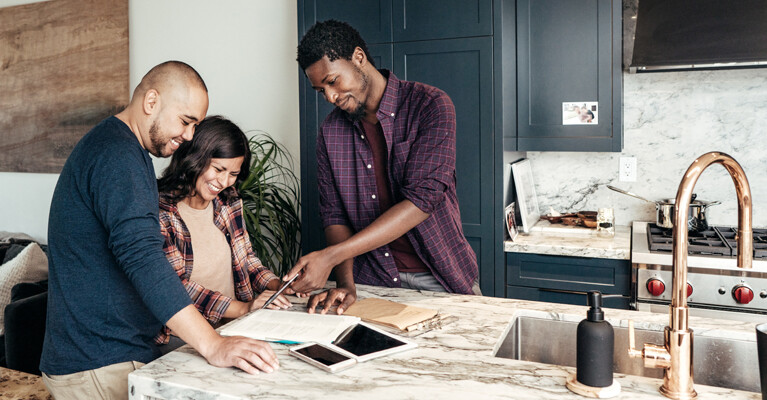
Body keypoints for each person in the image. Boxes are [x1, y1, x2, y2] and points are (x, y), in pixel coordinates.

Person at [40, 61, 279, 400]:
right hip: (100, 364)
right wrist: (213, 344)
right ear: (151, 102)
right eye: (185, 121)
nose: (189, 136)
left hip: (103, 357)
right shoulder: (118, 155)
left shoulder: (119, 149)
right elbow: (144, 258)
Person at [285, 20, 480, 315]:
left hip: (443, 278)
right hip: (372, 283)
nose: (330, 97)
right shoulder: (330, 132)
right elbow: (335, 214)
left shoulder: (431, 105)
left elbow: (421, 201)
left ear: (359, 58)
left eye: (332, 81)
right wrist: (346, 283)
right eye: (319, 90)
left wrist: (330, 256)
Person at [154, 115, 291, 352]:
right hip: (183, 340)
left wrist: (278, 285)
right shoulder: (159, 211)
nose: (225, 181)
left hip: (234, 328)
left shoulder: (228, 202)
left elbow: (246, 259)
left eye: (233, 174)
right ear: (194, 157)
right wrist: (244, 308)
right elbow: (176, 288)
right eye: (219, 169)